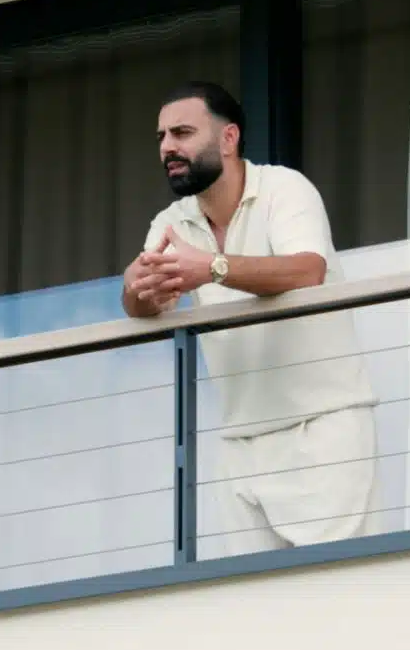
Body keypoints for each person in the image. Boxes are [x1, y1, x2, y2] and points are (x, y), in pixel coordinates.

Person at [122, 82, 378, 555]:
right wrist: (135, 288)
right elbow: (145, 306)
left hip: (323, 427)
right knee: (251, 595)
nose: (167, 148)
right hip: (239, 440)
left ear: (229, 138)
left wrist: (212, 267)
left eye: (182, 133)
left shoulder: (284, 189)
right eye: (161, 137)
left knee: (335, 585)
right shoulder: (171, 220)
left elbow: (308, 270)